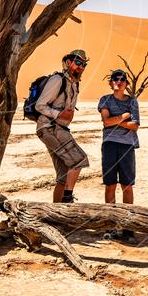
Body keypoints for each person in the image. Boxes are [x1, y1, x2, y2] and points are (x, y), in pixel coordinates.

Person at [35, 49, 90, 203]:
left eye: (83, 64)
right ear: (68, 62)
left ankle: (57, 212)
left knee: (63, 175)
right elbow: (40, 105)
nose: (80, 66)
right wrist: (58, 115)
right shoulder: (57, 80)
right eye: (77, 62)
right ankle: (67, 199)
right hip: (50, 128)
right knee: (79, 160)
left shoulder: (74, 84)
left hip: (57, 129)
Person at [98, 68, 141, 244]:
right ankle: (110, 224)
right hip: (109, 145)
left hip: (127, 146)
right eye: (115, 79)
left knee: (127, 185)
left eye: (122, 79)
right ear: (111, 83)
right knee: (110, 185)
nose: (119, 81)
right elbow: (106, 121)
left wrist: (115, 122)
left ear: (126, 83)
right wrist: (124, 117)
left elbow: (135, 126)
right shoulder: (105, 99)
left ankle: (128, 226)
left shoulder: (133, 101)